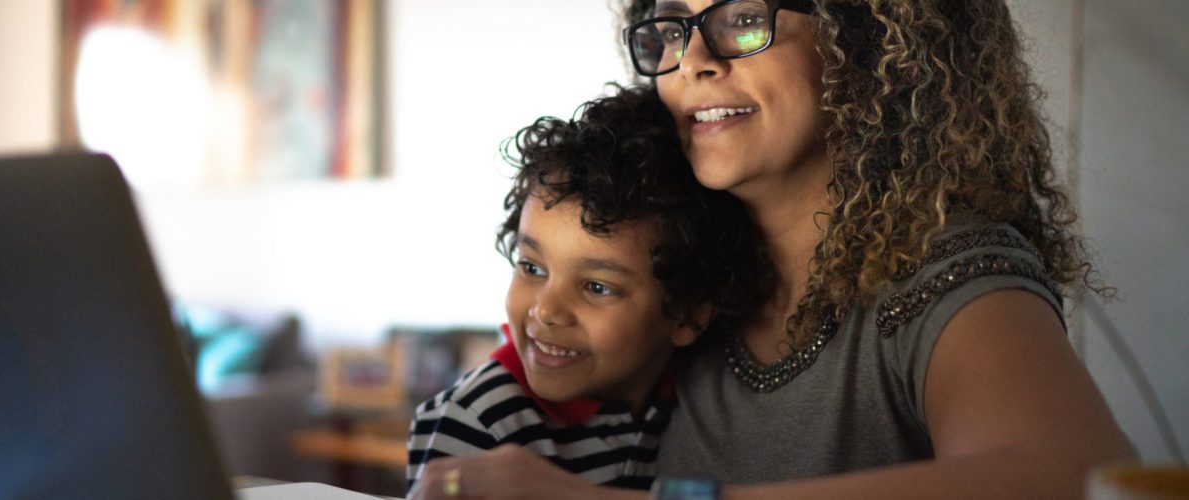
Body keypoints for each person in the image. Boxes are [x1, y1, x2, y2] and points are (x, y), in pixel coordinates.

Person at [408, 1, 1135, 499]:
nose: (690, 59)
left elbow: (1079, 477)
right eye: (669, 26)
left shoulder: (944, 273)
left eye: (743, 19)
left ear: (869, 40)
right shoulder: (676, 260)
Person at [405, 86, 771, 494]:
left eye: (597, 287)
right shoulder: (479, 420)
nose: (546, 310)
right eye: (531, 267)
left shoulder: (690, 397)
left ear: (687, 314)